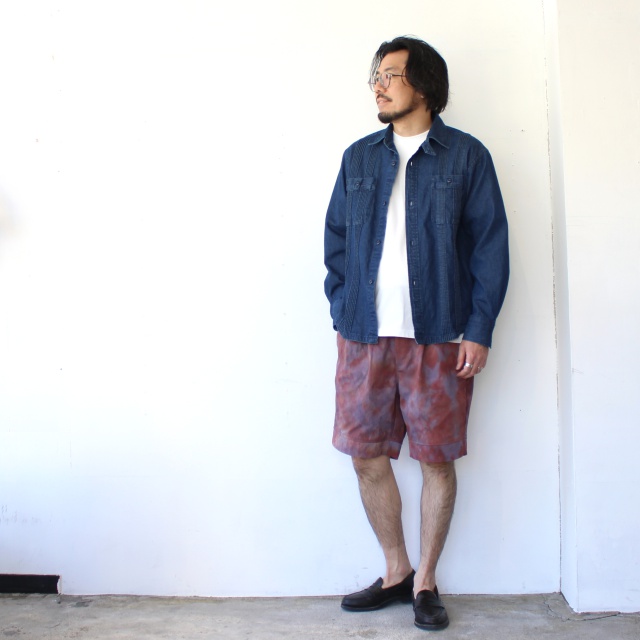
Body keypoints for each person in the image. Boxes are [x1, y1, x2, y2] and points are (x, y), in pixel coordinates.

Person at [323, 36, 509, 631]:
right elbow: (336, 243)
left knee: (436, 460)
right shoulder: (358, 158)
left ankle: (426, 580)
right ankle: (396, 569)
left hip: (440, 336)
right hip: (364, 336)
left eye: (391, 75)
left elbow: (490, 248)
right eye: (375, 76)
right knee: (365, 457)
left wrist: (478, 328)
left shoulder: (467, 157)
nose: (378, 85)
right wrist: (342, 308)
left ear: (423, 84)